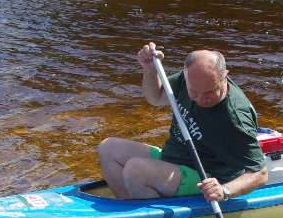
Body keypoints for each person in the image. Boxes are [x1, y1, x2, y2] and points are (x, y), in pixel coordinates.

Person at [98, 43, 268, 202]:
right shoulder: (192, 77)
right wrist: (150, 70)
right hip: (173, 159)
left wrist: (225, 191)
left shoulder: (235, 117)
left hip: (205, 175)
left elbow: (260, 173)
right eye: (193, 91)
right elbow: (155, 98)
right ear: (187, 76)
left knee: (135, 170)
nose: (200, 100)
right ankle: (128, 211)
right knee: (108, 148)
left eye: (209, 93)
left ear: (224, 78)